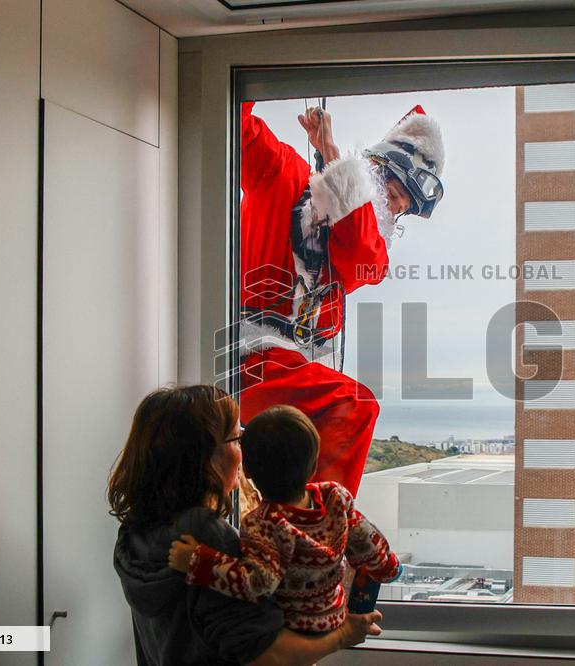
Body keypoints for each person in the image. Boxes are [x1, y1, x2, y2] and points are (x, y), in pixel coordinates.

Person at [239, 101, 445, 497]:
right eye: (392, 195)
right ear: (371, 173)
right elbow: (232, 119)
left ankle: (291, 520)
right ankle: (319, 520)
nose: (393, 211)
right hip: (249, 360)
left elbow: (365, 253)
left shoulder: (354, 255)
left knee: (319, 437)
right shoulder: (281, 172)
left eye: (397, 210)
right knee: (354, 407)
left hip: (286, 380)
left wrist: (335, 165)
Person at [109, 385, 382, 666]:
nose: (244, 454)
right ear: (206, 458)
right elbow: (267, 655)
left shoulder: (135, 531)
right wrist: (344, 634)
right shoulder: (207, 538)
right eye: (238, 439)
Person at [167, 405, 400, 634]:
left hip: (292, 627)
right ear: (312, 467)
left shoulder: (264, 523)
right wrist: (390, 568)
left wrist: (198, 561)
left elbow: (258, 584)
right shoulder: (335, 498)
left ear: (245, 470)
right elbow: (367, 543)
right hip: (333, 615)